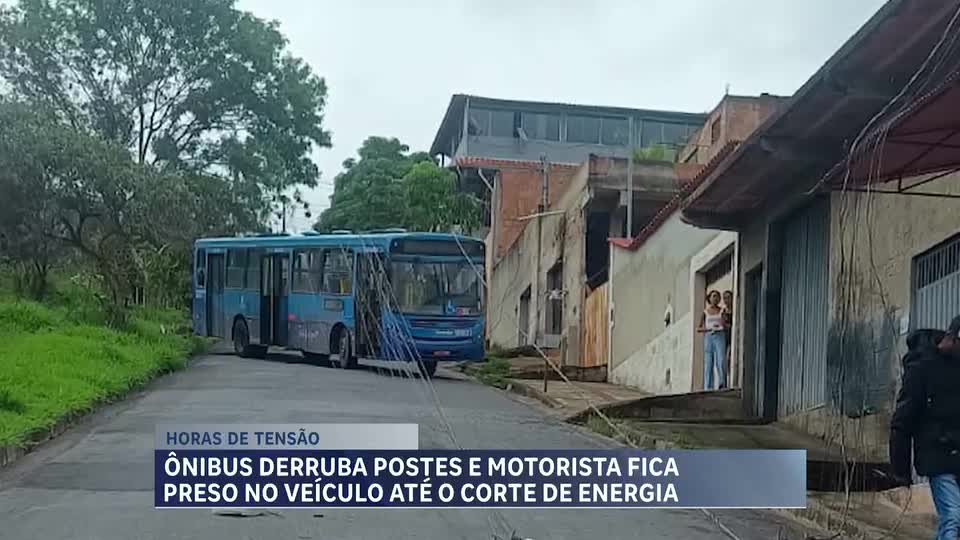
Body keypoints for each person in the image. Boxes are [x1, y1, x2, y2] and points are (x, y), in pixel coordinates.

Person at [890, 316, 960, 540]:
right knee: (953, 516)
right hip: (938, 455)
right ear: (954, 338)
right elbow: (903, 419)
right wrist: (900, 470)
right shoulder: (922, 367)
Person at [698, 290, 727, 390]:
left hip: (719, 335)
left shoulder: (722, 311)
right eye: (713, 296)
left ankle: (722, 382)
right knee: (708, 361)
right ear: (709, 298)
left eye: (717, 297)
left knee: (721, 359)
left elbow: (724, 324)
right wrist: (709, 328)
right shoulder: (705, 312)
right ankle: (708, 386)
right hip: (709, 336)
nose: (715, 298)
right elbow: (699, 328)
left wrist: (720, 326)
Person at [722, 290, 734, 389]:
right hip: (725, 338)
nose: (726, 300)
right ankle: (725, 382)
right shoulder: (723, 312)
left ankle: (730, 381)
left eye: (728, 297)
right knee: (725, 360)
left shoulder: (735, 309)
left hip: (733, 337)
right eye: (724, 298)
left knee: (730, 359)